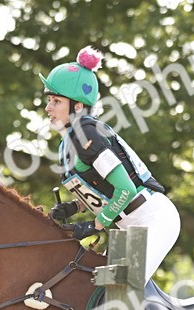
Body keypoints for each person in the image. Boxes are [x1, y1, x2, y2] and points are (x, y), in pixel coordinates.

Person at [41, 46, 180, 283]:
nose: (48, 108)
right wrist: (76, 207)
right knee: (92, 293)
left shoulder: (87, 134)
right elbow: (103, 188)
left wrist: (94, 226)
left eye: (56, 101)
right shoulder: (70, 141)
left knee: (121, 289)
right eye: (49, 100)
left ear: (77, 106)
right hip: (125, 228)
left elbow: (125, 189)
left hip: (152, 220)